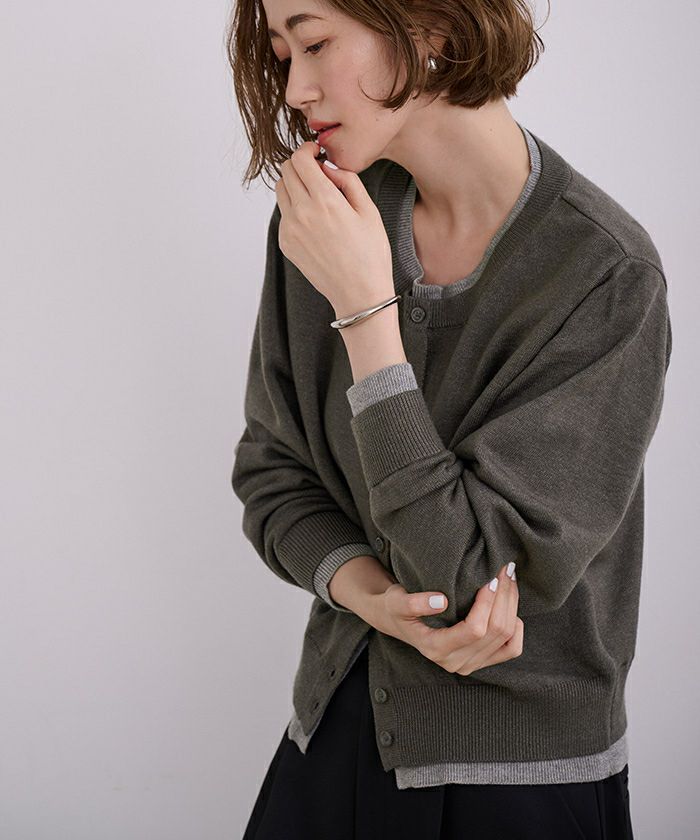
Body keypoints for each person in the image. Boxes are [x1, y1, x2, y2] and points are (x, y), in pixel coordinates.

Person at [228, 1, 671, 837]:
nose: (294, 89)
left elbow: (467, 577)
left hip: (521, 783)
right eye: (283, 55)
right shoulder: (327, 220)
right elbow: (271, 472)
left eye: (315, 42)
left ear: (430, 24)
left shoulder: (605, 275)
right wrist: (370, 596)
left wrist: (367, 312)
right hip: (333, 736)